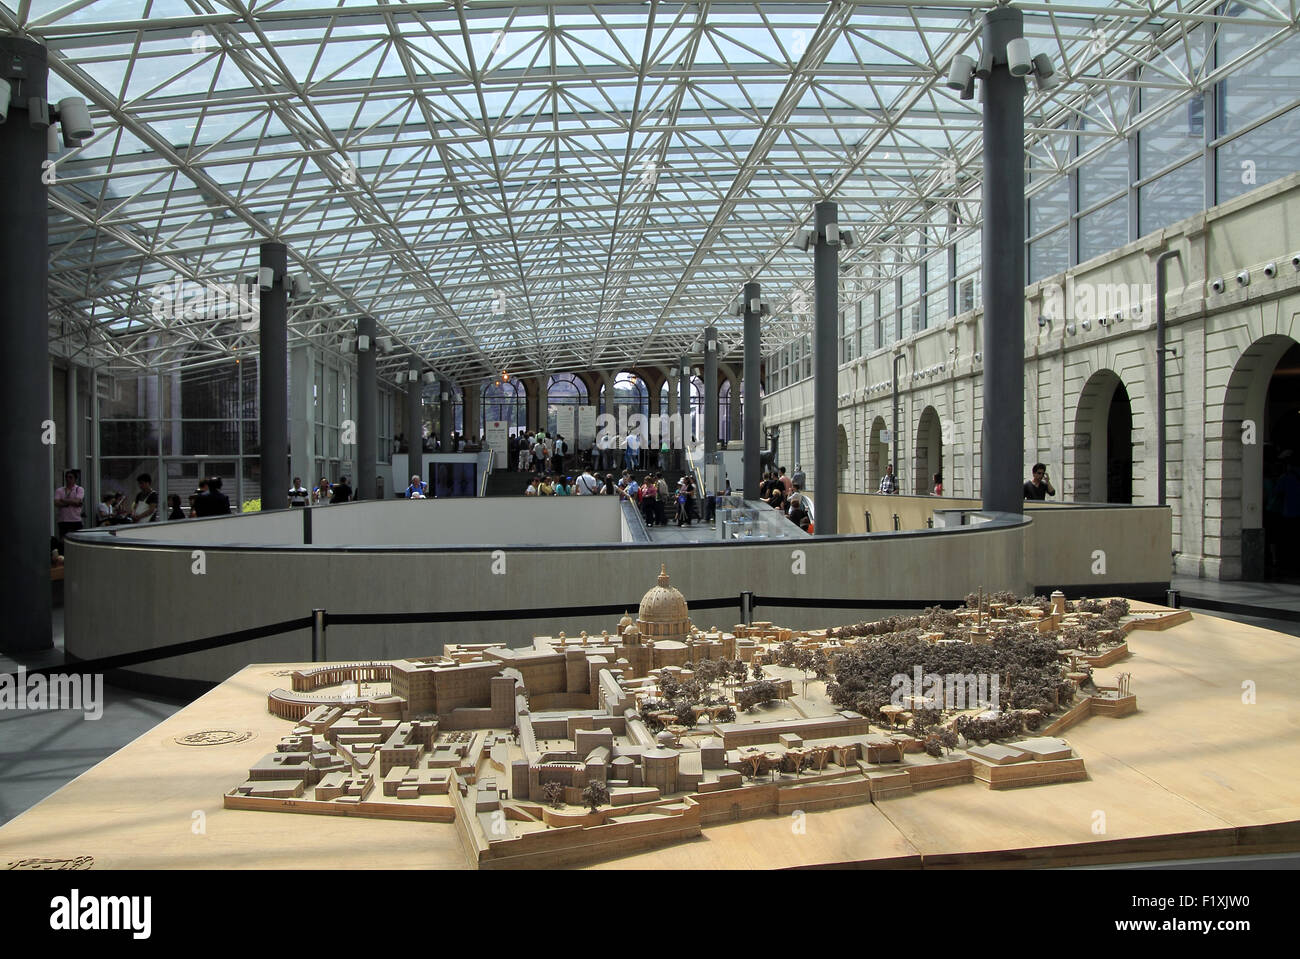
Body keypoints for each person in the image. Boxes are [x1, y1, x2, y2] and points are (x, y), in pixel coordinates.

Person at [54, 469, 85, 544]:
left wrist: (63, 500)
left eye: (71, 477)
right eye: (67, 477)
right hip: (63, 520)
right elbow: (56, 503)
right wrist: (72, 502)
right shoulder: (60, 490)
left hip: (75, 520)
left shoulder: (79, 489)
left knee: (77, 541)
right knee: (63, 541)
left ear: (75, 479)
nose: (68, 479)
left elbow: (77, 501)